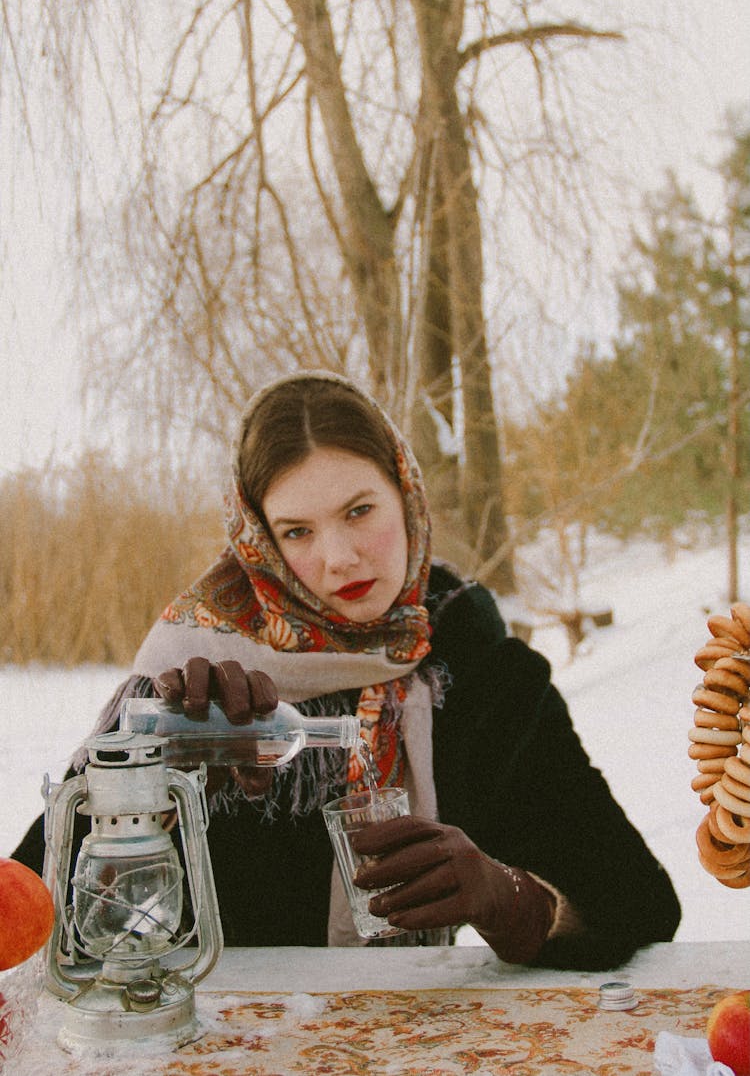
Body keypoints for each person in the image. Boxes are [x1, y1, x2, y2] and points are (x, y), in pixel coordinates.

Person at [13, 371, 681, 967]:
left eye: (359, 511)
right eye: (297, 530)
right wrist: (160, 795)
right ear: (261, 539)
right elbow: (28, 913)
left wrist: (503, 897)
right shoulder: (192, 679)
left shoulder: (473, 671)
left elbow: (638, 904)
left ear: (406, 495)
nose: (339, 557)